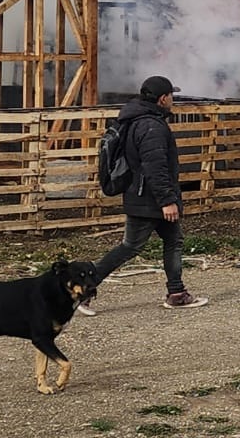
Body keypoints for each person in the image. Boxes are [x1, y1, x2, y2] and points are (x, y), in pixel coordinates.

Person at [86, 76, 208, 313]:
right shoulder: (151, 126)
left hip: (143, 195)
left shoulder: (138, 119)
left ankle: (177, 293)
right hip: (149, 199)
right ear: (163, 99)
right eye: (172, 95)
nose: (173, 99)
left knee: (174, 240)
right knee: (130, 247)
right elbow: (155, 168)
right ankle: (84, 287)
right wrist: (168, 201)